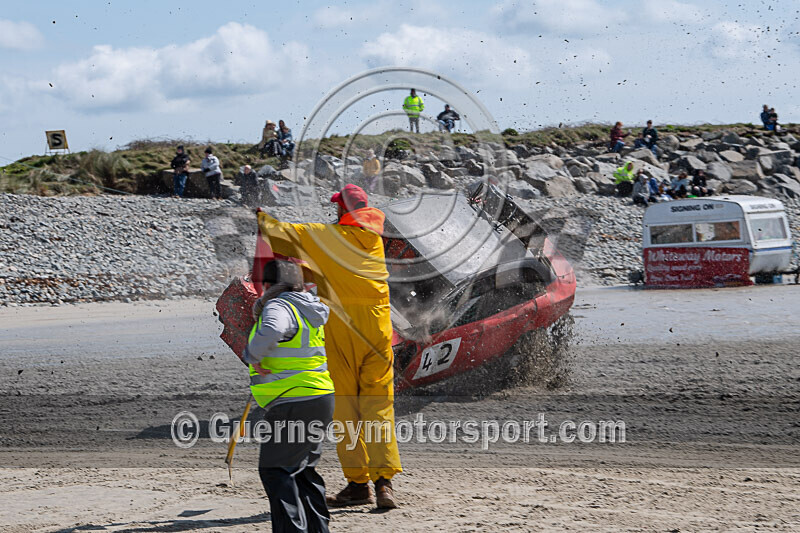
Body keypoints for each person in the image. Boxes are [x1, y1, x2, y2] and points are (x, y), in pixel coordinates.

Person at [256, 184, 402, 509]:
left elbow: (278, 233)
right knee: (379, 406)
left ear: (342, 211)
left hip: (343, 330)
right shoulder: (374, 241)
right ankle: (384, 485)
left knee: (346, 407)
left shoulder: (327, 237)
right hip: (379, 332)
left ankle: (358, 484)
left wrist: (257, 215)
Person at [245, 259, 335, 533]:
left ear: (270, 285)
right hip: (320, 398)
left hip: (292, 400)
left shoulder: (280, 304)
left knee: (276, 471)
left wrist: (253, 354)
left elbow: (273, 329)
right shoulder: (310, 306)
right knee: (303, 472)